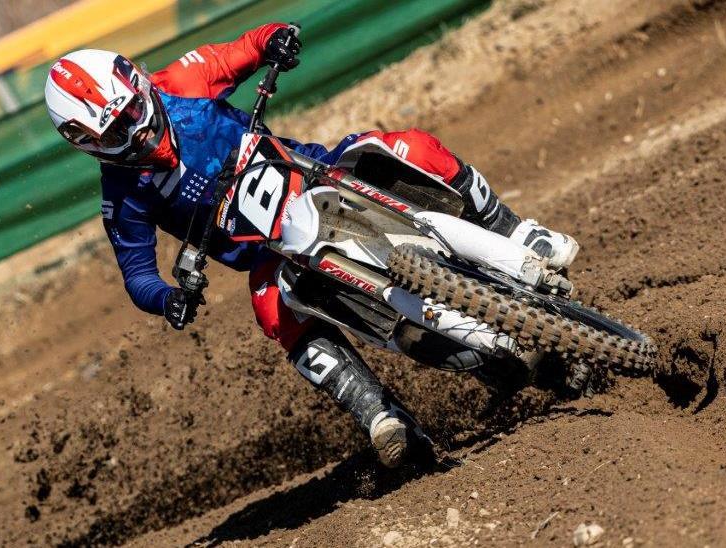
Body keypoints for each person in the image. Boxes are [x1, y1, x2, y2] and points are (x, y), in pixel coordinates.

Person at [42, 23, 577, 467]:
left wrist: (278, 40)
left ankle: (510, 228)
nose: (136, 134)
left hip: (319, 174)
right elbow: (137, 277)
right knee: (270, 309)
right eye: (116, 134)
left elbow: (249, 46)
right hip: (272, 254)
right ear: (89, 145)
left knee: (403, 146)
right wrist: (168, 298)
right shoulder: (122, 198)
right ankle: (382, 418)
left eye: (133, 114)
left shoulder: (182, 81)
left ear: (139, 85)